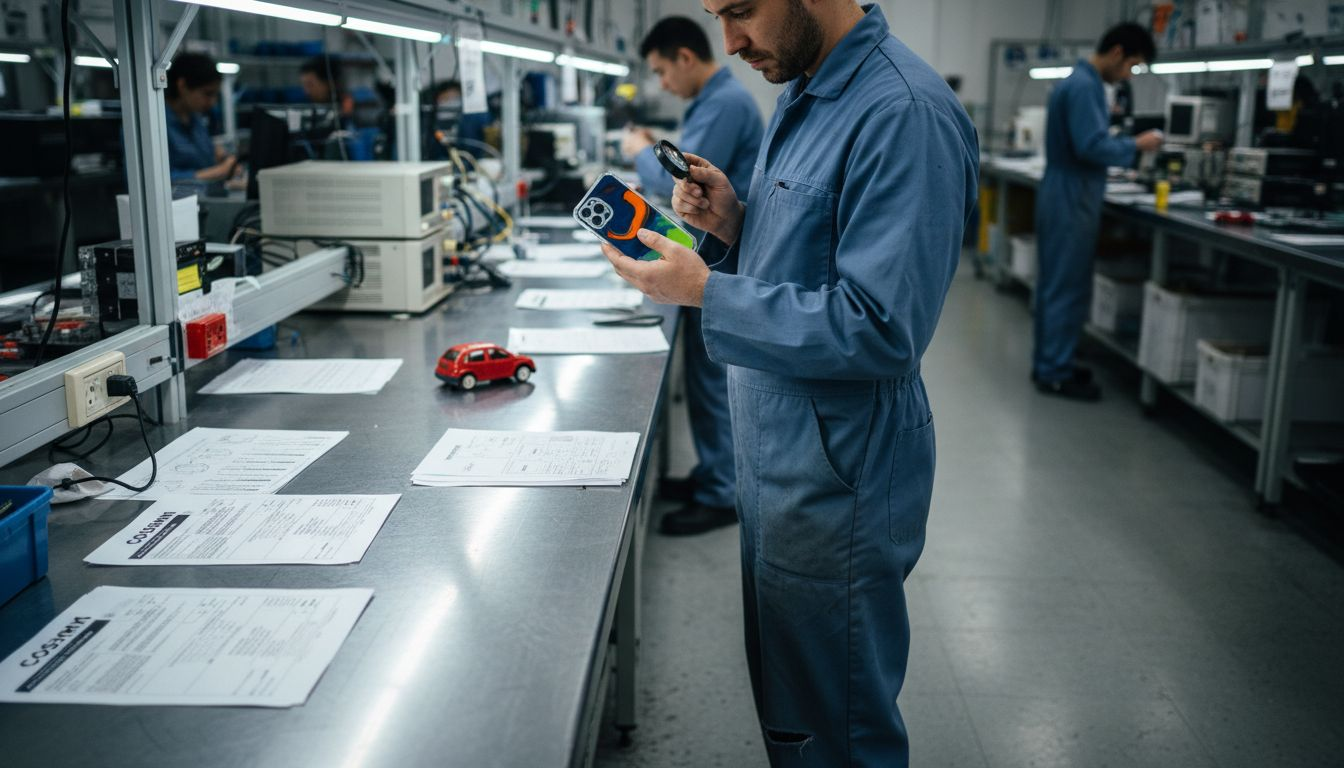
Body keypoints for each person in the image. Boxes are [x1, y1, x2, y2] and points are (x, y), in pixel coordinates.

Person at [601, 1, 978, 764]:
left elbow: (882, 326)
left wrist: (707, 291)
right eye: (717, 15)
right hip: (783, 457)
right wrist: (738, 223)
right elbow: (818, 256)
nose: (729, 43)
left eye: (741, 11)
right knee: (795, 715)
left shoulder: (901, 114)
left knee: (833, 725)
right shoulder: (805, 94)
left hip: (839, 472)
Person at [623, 17, 764, 536]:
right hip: (717, 245)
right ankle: (713, 473)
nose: (662, 84)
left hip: (724, 257)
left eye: (662, 72)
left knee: (712, 379)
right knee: (706, 377)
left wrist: (639, 148)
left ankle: (721, 491)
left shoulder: (724, 103)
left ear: (685, 57)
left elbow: (672, 173)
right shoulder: (714, 101)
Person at [1033, 23, 1163, 400]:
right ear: (1118, 52)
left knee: (1055, 283)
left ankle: (1051, 360)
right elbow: (1090, 146)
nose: (1128, 75)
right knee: (1066, 286)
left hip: (1065, 189)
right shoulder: (1085, 86)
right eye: (1131, 66)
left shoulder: (1078, 82)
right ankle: (1054, 370)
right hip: (1072, 193)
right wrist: (1137, 144)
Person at [164, 52, 237, 185]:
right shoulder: (154, 125)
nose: (213, 102)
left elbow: (207, 156)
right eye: (207, 94)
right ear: (182, 86)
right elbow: (152, 181)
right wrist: (218, 172)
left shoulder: (196, 120)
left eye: (215, 95)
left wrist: (222, 158)